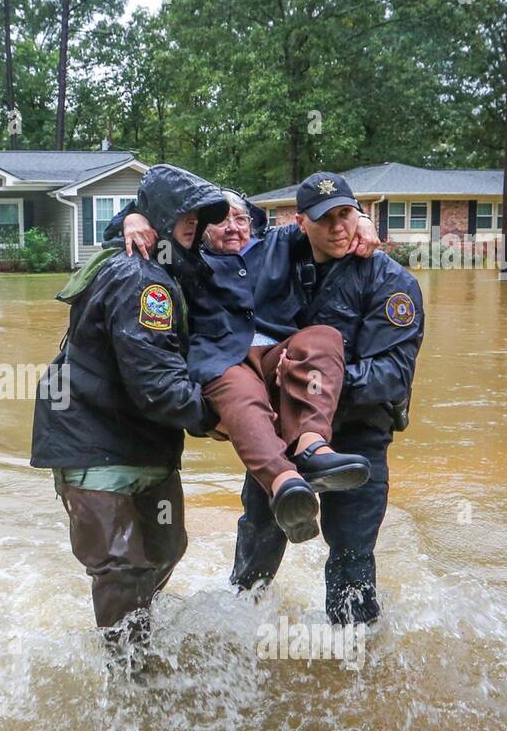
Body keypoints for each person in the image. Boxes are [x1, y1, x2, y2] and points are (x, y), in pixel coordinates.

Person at [30, 164, 228, 658]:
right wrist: (214, 419)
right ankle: (128, 685)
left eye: (201, 216)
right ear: (159, 216)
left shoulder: (175, 263)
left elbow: (262, 240)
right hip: (91, 439)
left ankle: (137, 640)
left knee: (165, 548)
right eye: (186, 214)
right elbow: (157, 384)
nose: (196, 223)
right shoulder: (143, 281)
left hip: (145, 441)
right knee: (121, 566)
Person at [109, 188, 383, 543]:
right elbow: (134, 224)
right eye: (222, 221)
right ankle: (285, 484)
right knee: (240, 392)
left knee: (323, 338)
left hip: (276, 354)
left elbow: (320, 218)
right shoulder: (185, 256)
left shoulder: (279, 243)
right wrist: (131, 218)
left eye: (241, 219)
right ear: (202, 227)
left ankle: (312, 447)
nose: (234, 227)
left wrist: (361, 218)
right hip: (223, 358)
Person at [229, 172, 425, 624]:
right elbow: (216, 224)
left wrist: (307, 380)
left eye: (346, 214)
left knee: (352, 557)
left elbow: (392, 375)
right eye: (325, 219)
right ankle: (236, 632)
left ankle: (356, 665)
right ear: (301, 223)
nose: (338, 228)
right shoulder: (274, 253)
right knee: (257, 539)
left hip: (357, 441)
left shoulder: (392, 283)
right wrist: (133, 219)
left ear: (360, 215)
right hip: (283, 440)